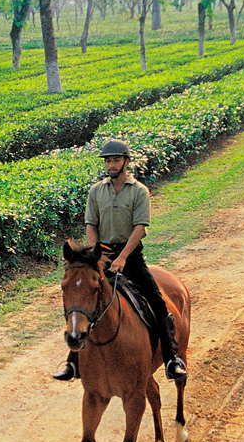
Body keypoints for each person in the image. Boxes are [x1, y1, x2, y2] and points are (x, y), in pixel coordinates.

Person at [53, 139, 189, 382]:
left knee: (157, 303)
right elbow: (91, 224)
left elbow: (140, 228)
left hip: (131, 256)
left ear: (126, 161)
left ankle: (171, 359)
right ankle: (72, 363)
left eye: (115, 160)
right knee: (83, 303)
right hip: (101, 255)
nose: (111, 164)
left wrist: (123, 257)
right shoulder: (96, 191)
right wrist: (96, 255)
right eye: (108, 160)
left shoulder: (138, 191)